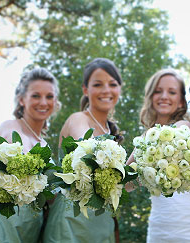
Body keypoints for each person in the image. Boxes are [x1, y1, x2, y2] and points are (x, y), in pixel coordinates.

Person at [127, 69, 190, 242]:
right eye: (158, 91)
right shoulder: (143, 139)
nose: (164, 96)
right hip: (160, 228)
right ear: (150, 97)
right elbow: (127, 183)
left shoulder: (184, 128)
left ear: (180, 102)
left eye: (171, 92)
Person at [0, 68, 61, 243]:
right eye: (36, 96)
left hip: (32, 227)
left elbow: (50, 199)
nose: (43, 102)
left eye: (49, 96)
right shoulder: (11, 126)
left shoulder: (44, 145)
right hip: (4, 224)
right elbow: (18, 162)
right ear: (22, 100)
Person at [43, 58, 123, 243]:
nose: (106, 90)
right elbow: (89, 152)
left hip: (103, 222)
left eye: (112, 84)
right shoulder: (78, 119)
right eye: (98, 84)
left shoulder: (111, 131)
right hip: (72, 221)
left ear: (119, 88)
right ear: (85, 90)